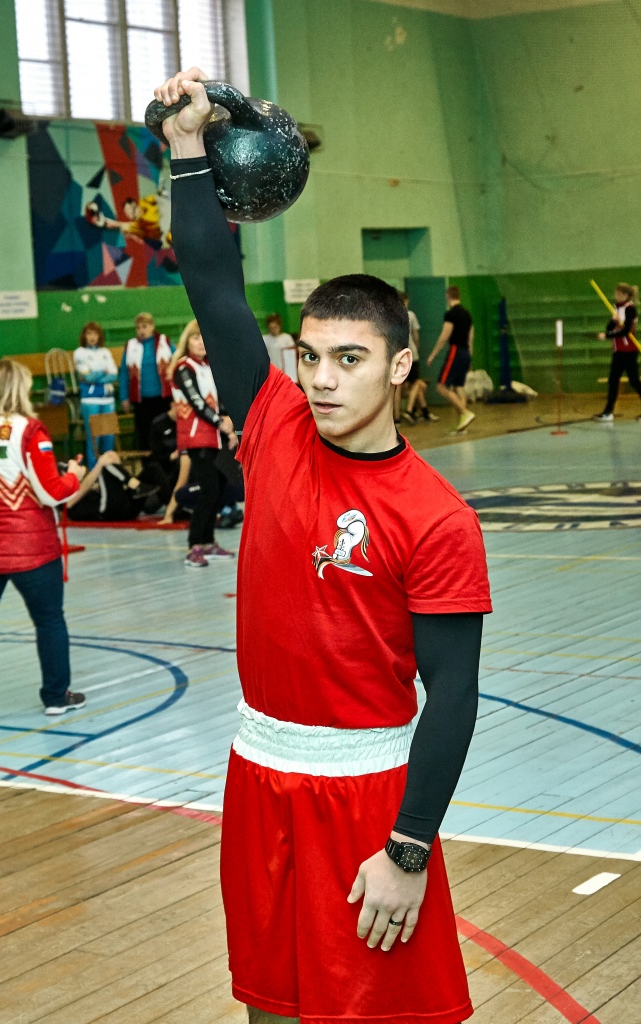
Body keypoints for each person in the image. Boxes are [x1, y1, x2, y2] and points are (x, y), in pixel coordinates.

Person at [157, 68, 492, 1024]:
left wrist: (409, 848)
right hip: (257, 775)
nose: (324, 379)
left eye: (350, 359)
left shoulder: (437, 518)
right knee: (271, 1009)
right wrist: (186, 148)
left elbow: (454, 697)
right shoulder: (271, 425)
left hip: (369, 800)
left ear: (398, 363)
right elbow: (212, 282)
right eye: (310, 357)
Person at [0, 359, 87, 746]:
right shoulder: (29, 430)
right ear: (19, 389)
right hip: (30, 548)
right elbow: (51, 492)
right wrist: (75, 476)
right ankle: (56, 697)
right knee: (49, 620)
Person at [171, 320, 238, 566]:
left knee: (217, 489)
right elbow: (197, 402)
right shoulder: (183, 368)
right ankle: (195, 546)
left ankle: (208, 543)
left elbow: (219, 402)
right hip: (196, 438)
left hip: (214, 438)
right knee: (208, 490)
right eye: (195, 338)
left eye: (204, 337)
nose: (201, 342)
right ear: (187, 342)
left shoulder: (208, 367)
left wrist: (230, 427)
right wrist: (222, 424)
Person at [119, 312, 174, 450]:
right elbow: (124, 373)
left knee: (165, 431)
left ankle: (166, 460)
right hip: (141, 400)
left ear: (152, 326)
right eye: (138, 328)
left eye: (144, 326)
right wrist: (124, 397)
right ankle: (147, 461)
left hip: (163, 398)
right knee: (144, 433)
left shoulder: (165, 342)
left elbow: (177, 363)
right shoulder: (130, 346)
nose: (141, 331)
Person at [427, 286, 475, 433]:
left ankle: (465, 413)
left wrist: (433, 354)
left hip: (455, 351)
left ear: (448, 296)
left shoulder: (451, 314)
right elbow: (471, 338)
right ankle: (463, 423)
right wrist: (469, 358)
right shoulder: (467, 314)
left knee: (441, 386)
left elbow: (444, 336)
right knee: (458, 387)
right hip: (465, 352)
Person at [73, 321, 118, 468]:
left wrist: (96, 376)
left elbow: (114, 374)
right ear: (84, 336)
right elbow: (87, 376)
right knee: (94, 438)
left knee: (109, 436)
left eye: (95, 333)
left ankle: (109, 470)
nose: (92, 337)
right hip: (91, 400)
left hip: (108, 400)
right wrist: (103, 373)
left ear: (99, 336)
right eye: (89, 333)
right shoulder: (80, 353)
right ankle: (94, 471)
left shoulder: (105, 352)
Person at [594, 282, 641, 421]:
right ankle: (608, 412)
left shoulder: (630, 309)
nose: (615, 295)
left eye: (618, 293)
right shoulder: (616, 307)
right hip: (618, 351)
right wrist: (614, 322)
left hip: (629, 351)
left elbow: (626, 331)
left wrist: (607, 336)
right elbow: (609, 327)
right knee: (613, 380)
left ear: (625, 295)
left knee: (634, 381)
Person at [398, 291, 438, 426]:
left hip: (399, 356)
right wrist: (416, 348)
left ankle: (424, 412)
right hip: (411, 355)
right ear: (406, 301)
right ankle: (409, 410)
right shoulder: (410, 315)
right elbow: (416, 336)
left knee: (416, 385)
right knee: (417, 383)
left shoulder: (391, 316)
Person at [262, 312, 298, 383]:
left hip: (285, 371)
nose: (273, 330)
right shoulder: (264, 339)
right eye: (271, 328)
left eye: (275, 327)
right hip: (271, 372)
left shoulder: (287, 338)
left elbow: (292, 357)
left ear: (279, 326)